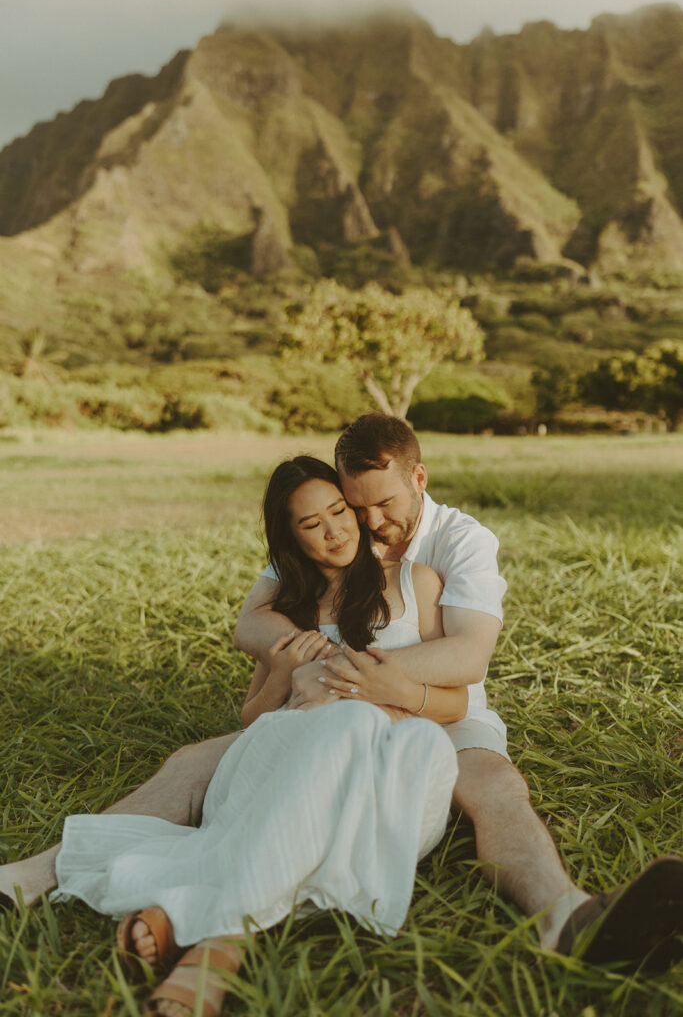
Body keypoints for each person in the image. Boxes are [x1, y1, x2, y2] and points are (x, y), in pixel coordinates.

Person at [2, 414, 682, 975]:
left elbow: (468, 658)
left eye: (378, 505)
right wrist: (298, 665)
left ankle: (569, 917)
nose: (362, 523)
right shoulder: (333, 535)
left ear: (418, 478)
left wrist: (373, 676)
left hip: (436, 712)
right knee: (190, 764)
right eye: (349, 507)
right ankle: (31, 877)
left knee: (496, 788)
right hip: (321, 716)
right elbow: (259, 617)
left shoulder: (457, 546)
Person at [50, 456, 466, 1016]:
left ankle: (193, 903)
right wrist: (290, 674)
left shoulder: (416, 583)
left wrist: (388, 689)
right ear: (290, 539)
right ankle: (219, 950)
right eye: (311, 524)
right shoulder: (289, 610)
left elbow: (455, 702)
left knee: (398, 735)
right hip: (292, 755)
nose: (334, 530)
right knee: (345, 724)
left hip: (395, 761)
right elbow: (254, 715)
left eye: (339, 511)